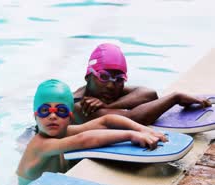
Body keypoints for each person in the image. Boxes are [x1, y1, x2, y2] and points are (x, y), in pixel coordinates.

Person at [17, 79, 167, 184]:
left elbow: (106, 121)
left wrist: (142, 129)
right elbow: (84, 139)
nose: (52, 116)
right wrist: (130, 135)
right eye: (45, 111)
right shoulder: (39, 144)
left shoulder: (65, 132)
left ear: (70, 117)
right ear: (35, 117)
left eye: (61, 111)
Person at [74, 43, 211, 125]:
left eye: (119, 79)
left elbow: (149, 94)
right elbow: (132, 119)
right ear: (88, 76)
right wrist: (175, 97)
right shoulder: (79, 105)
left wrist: (109, 105)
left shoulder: (103, 94)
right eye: (103, 77)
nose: (111, 86)